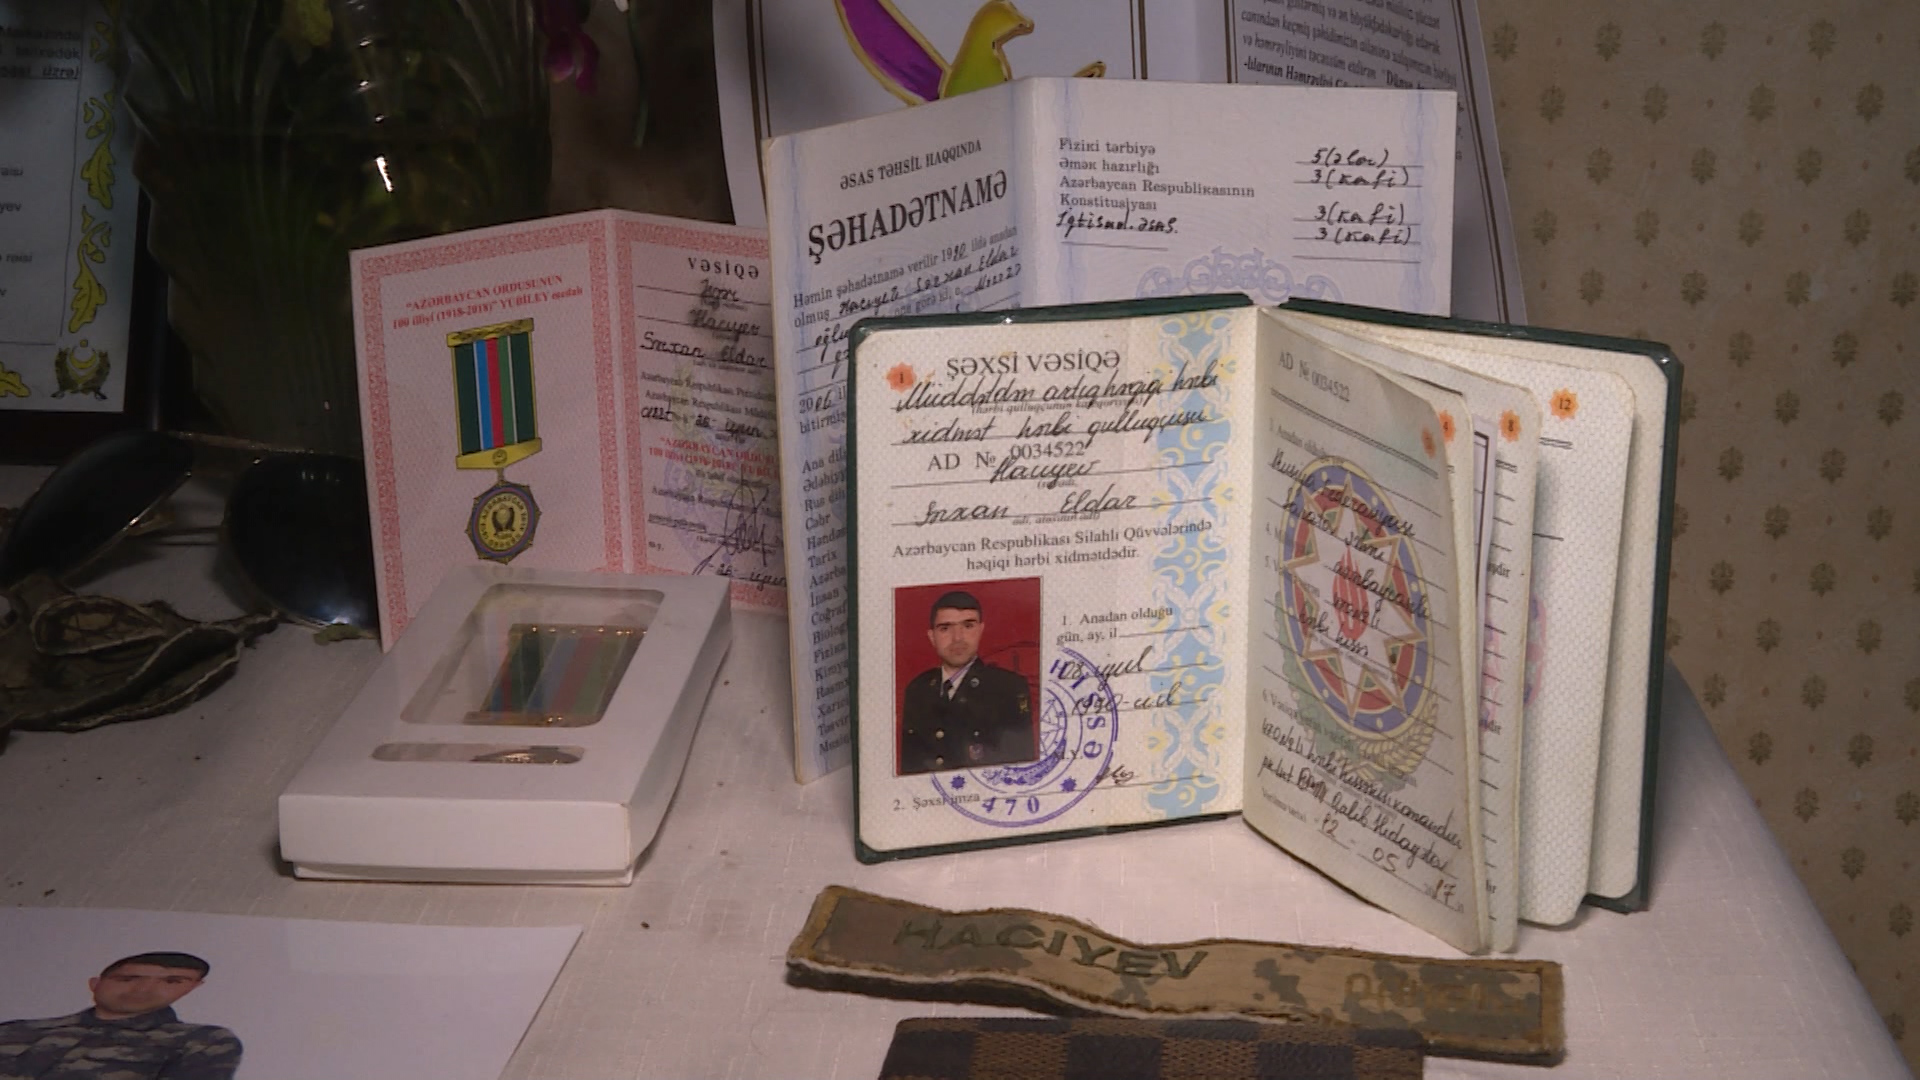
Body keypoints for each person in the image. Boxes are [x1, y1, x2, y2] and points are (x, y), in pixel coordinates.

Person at [0, 952, 242, 1080]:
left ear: (191, 988)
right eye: (127, 979)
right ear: (95, 984)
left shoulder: (201, 1041)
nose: (143, 989)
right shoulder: (15, 1031)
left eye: (171, 981)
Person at [898, 590, 1035, 774]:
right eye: (945, 628)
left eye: (968, 626)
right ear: (932, 636)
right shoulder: (917, 689)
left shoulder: (1008, 688)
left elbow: (1019, 771)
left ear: (980, 630)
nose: (958, 638)